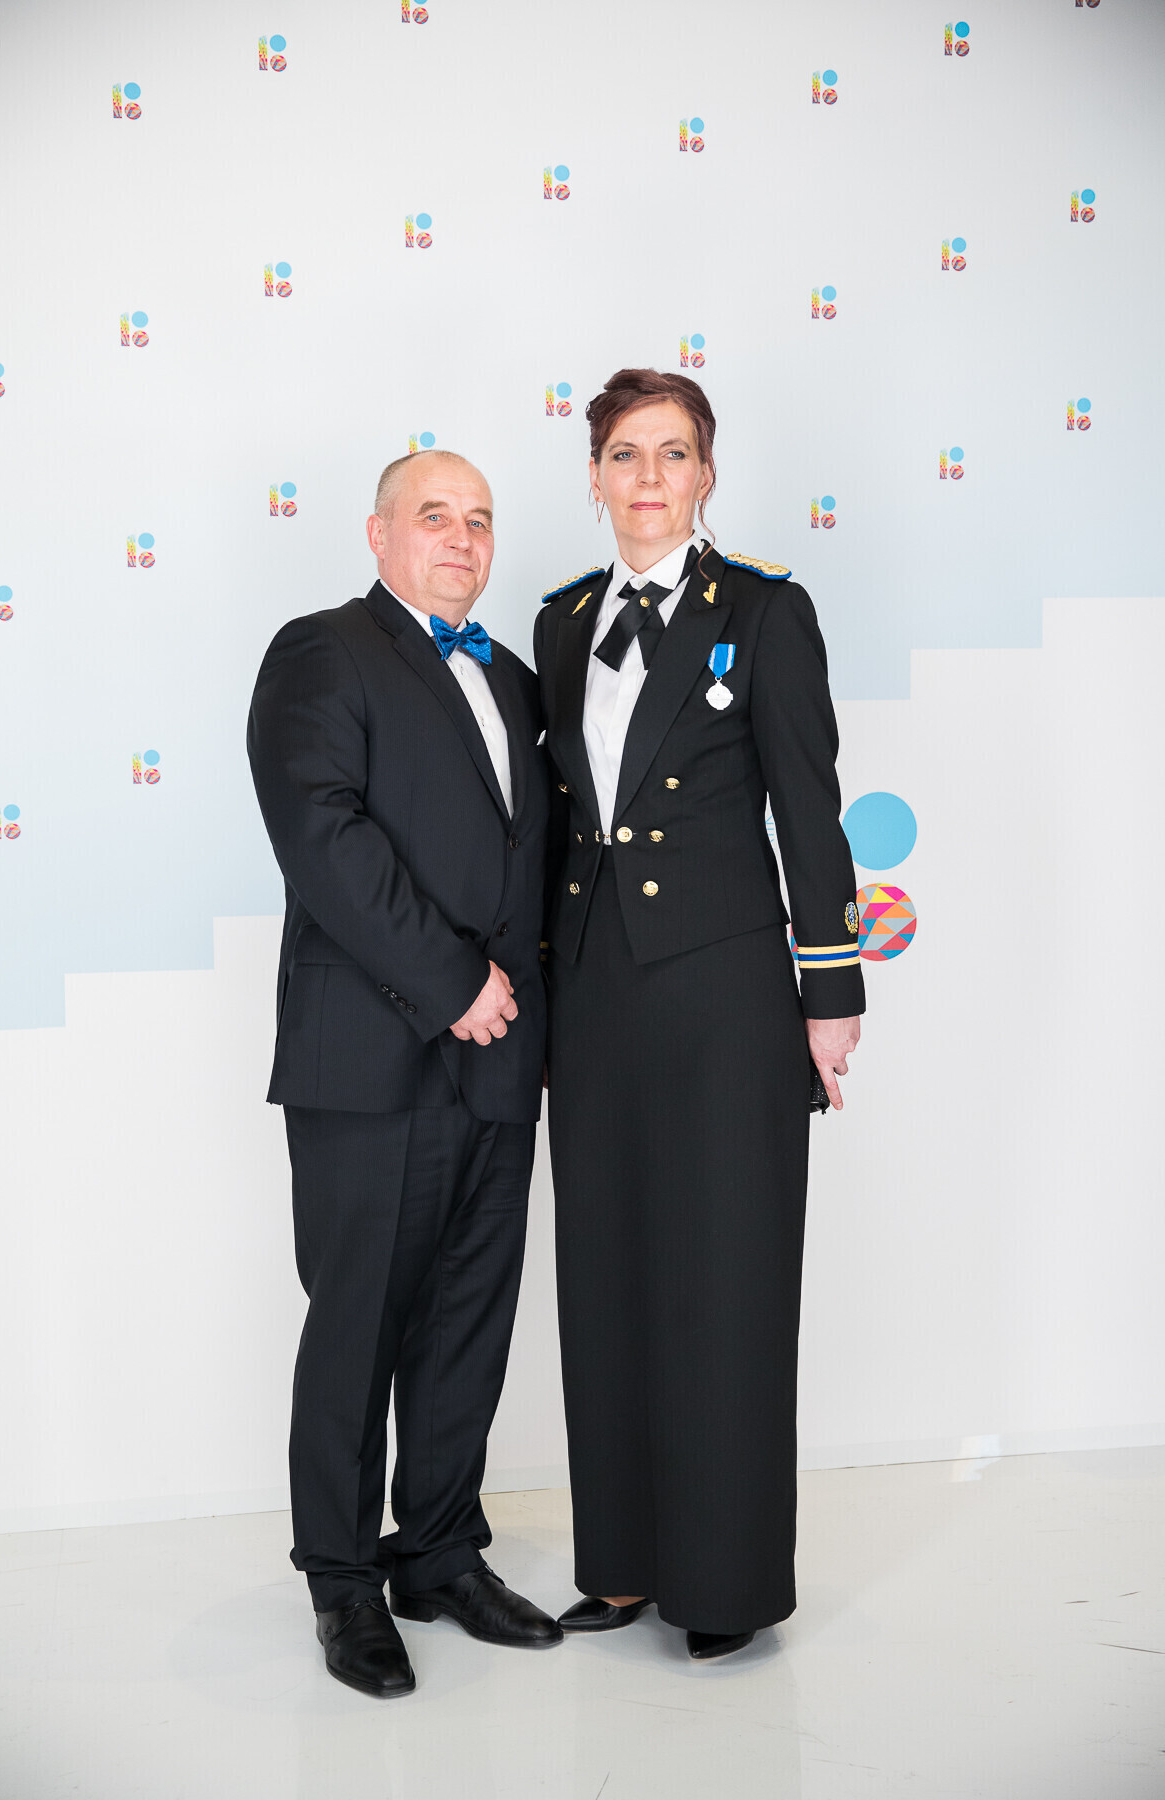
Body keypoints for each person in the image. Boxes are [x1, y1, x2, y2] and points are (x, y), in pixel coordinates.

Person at [535, 369, 865, 1661]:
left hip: (727, 999)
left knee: (726, 1284)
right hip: (595, 996)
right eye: (626, 454)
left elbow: (809, 812)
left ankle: (722, 1589)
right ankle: (621, 1567)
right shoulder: (562, 621)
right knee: (605, 1275)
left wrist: (827, 996)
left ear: (707, 474)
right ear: (596, 476)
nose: (650, 477)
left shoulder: (766, 611)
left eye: (673, 453)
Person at [247, 449, 562, 1699]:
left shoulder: (516, 680)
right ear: (379, 535)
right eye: (435, 516)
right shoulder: (322, 651)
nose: (463, 538)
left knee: (468, 1320)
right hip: (374, 1059)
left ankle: (438, 1554)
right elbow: (323, 834)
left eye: (480, 520)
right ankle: (341, 1581)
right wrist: (452, 984)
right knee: (360, 1325)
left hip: (502, 1059)